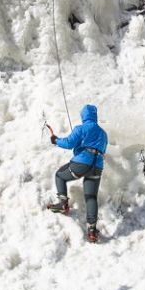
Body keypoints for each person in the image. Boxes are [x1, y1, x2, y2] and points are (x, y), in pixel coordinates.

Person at [45, 104, 108, 243]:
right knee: (91, 197)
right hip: (97, 166)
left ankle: (63, 203)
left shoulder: (81, 128)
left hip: (81, 163)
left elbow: (68, 143)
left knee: (60, 175)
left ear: (83, 116)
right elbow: (102, 150)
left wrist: (55, 140)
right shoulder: (103, 133)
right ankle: (92, 230)